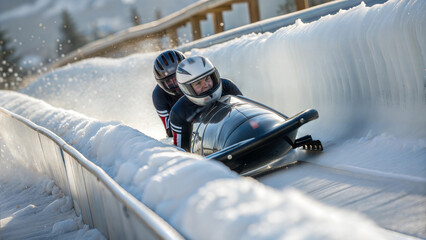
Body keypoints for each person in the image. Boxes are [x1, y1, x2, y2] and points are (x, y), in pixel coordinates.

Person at [170, 56, 242, 151]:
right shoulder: (179, 113)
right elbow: (182, 151)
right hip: (209, 150)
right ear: (187, 88)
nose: (206, 85)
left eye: (207, 79)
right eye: (198, 83)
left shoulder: (227, 86)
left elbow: (244, 110)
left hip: (237, 134)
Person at [152, 50, 186, 137]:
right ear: (162, 84)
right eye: (170, 82)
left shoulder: (197, 75)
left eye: (178, 77)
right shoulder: (158, 95)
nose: (176, 83)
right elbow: (170, 131)